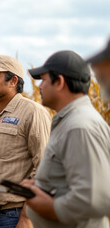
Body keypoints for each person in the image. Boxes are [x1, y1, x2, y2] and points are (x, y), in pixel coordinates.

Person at [24, 50, 110, 228]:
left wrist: (50, 208)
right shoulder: (71, 121)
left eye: (44, 80)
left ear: (60, 82)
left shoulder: (79, 126)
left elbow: (94, 197)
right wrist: (42, 186)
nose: (39, 86)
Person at [0, 55, 51, 228]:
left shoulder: (33, 112)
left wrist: (26, 218)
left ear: (13, 81)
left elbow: (44, 169)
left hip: (14, 215)